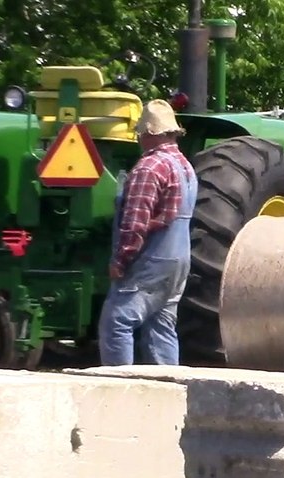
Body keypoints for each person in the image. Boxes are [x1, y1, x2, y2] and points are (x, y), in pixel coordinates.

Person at [98, 99, 197, 366]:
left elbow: (135, 223)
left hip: (152, 260)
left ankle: (118, 386)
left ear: (150, 133)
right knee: (161, 325)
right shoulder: (185, 167)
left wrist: (120, 261)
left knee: (117, 321)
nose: (139, 139)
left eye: (141, 133)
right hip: (180, 259)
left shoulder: (149, 168)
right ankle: (168, 385)